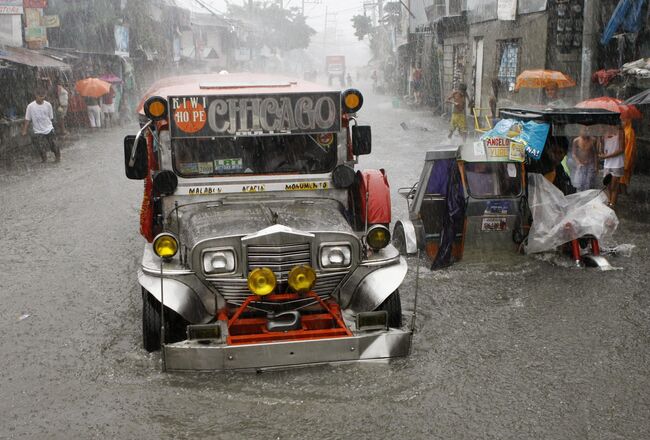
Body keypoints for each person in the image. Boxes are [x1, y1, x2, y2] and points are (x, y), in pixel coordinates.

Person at [21, 89, 60, 163]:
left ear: (45, 95)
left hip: (49, 128)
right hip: (38, 130)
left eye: (43, 96)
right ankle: (44, 158)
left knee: (54, 144)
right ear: (36, 95)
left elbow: (51, 117)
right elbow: (27, 119)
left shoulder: (48, 105)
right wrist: (24, 130)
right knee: (40, 146)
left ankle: (57, 157)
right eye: (40, 96)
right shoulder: (30, 106)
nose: (42, 98)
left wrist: (54, 127)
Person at [599, 123, 625, 207]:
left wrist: (607, 156)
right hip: (607, 164)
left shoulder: (620, 132)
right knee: (607, 185)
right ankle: (609, 202)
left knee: (614, 186)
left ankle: (612, 205)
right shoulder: (604, 133)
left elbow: (621, 149)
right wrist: (600, 140)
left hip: (617, 164)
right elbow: (602, 151)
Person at [571, 127, 598, 191]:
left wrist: (596, 166)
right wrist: (578, 162)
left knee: (589, 184)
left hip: (590, 164)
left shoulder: (593, 140)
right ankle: (580, 197)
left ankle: (588, 197)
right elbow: (573, 154)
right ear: (580, 131)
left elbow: (595, 154)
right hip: (580, 165)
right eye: (584, 130)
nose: (586, 132)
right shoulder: (576, 140)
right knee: (579, 184)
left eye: (587, 130)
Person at [619, 119, 636, 195]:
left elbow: (630, 148)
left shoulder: (629, 132)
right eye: (621, 121)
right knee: (620, 176)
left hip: (626, 157)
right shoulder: (624, 131)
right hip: (622, 156)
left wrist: (626, 161)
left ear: (628, 122)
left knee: (623, 177)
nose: (622, 122)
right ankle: (621, 193)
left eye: (623, 121)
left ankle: (624, 194)